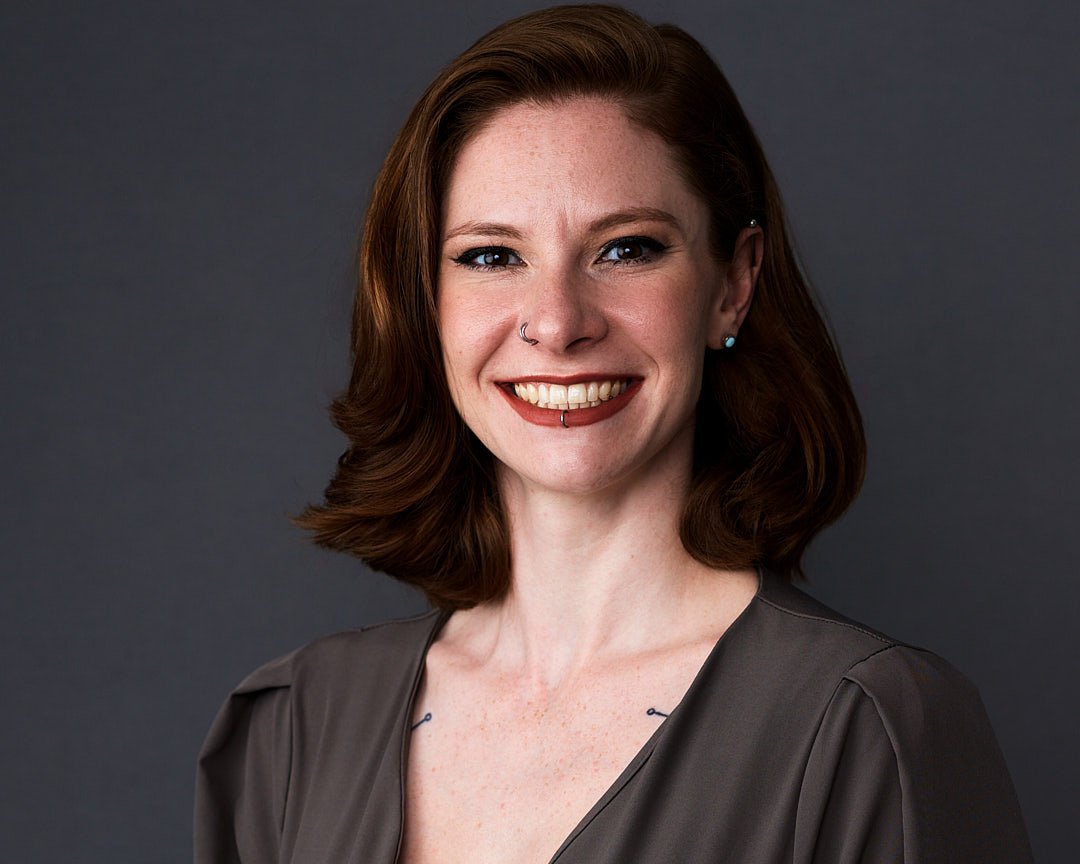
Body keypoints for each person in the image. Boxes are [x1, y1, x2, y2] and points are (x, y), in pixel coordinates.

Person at [194, 5, 1032, 862]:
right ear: (426, 304)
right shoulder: (291, 725)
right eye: (491, 256)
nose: (557, 324)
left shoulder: (867, 723)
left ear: (732, 286)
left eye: (626, 249)